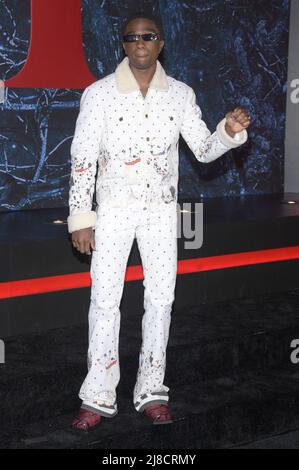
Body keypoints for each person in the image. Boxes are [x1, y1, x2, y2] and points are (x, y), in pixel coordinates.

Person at [67, 12, 250, 430]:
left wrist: (228, 131)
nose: (140, 43)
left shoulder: (181, 95)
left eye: (148, 36)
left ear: (161, 42)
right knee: (104, 300)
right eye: (131, 38)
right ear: (124, 45)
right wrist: (81, 217)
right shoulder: (99, 94)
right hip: (112, 210)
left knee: (161, 301)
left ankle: (152, 390)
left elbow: (203, 150)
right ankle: (96, 396)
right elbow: (82, 161)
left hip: (160, 212)